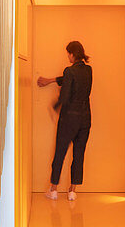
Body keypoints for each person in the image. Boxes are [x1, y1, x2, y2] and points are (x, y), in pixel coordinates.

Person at [37, 40, 92, 201]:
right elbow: (71, 77)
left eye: (68, 53)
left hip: (69, 119)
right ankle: (72, 191)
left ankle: (53, 190)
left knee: (60, 152)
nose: (67, 56)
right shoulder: (88, 70)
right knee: (79, 154)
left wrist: (54, 106)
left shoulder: (70, 71)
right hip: (85, 118)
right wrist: (51, 80)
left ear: (72, 54)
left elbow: (65, 95)